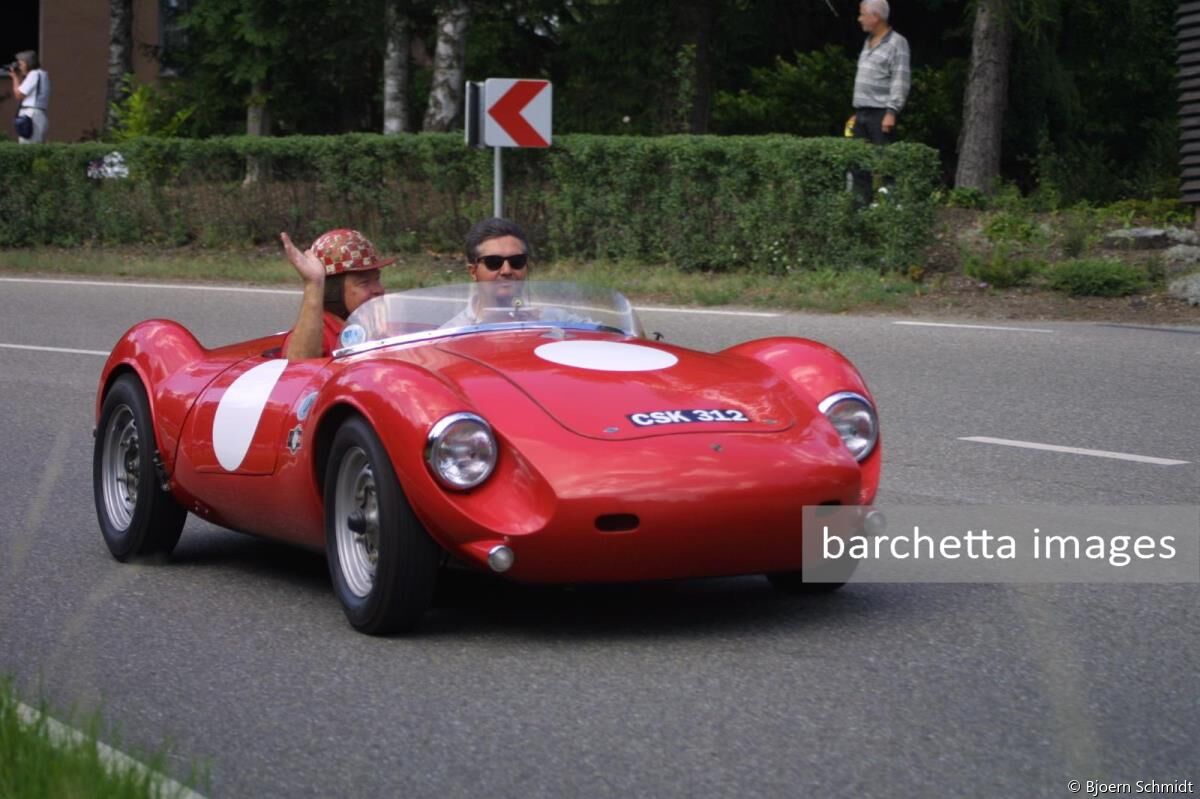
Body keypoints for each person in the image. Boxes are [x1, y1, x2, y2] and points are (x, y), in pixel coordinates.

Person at [280, 228, 394, 360]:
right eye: (364, 283)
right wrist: (314, 283)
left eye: (377, 279)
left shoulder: (376, 325)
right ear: (334, 291)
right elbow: (298, 366)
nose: (378, 290)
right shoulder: (317, 333)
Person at [848, 0, 910, 205]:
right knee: (858, 162)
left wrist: (891, 111)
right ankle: (860, 205)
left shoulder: (897, 43)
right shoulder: (867, 42)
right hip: (863, 112)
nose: (859, 19)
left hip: (881, 113)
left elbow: (900, 79)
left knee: (886, 163)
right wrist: (858, 109)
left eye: (862, 14)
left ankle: (891, 207)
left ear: (876, 17)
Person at [442, 217, 533, 328]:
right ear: (473, 271)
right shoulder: (452, 334)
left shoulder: (551, 324)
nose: (507, 270)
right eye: (493, 262)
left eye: (517, 260)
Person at [9, 50, 50, 144]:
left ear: (28, 63)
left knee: (27, 147)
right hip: (38, 114)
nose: (19, 67)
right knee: (36, 146)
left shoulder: (34, 74)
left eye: (21, 64)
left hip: (31, 115)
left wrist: (14, 78)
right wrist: (19, 77)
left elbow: (19, 95)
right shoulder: (42, 74)